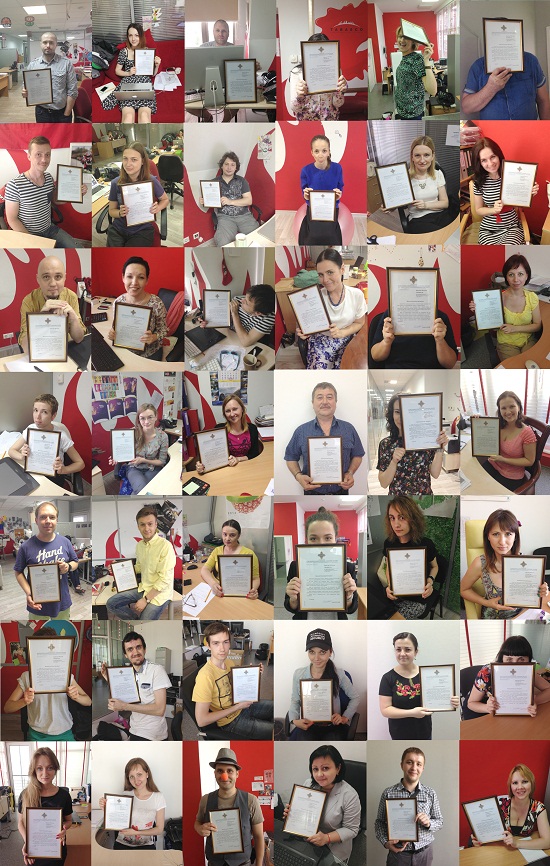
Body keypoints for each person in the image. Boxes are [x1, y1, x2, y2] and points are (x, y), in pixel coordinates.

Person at [4, 626, 91, 741]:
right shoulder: (27, 676)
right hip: (37, 734)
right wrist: (24, 701)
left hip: (64, 731)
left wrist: (77, 697)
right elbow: (7, 708)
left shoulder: (65, 675)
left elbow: (88, 701)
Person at [460, 508, 548, 619]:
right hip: (496, 618)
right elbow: (463, 589)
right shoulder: (480, 563)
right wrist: (486, 602)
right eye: (496, 534)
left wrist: (541, 592)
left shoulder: (526, 563)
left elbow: (533, 597)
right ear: (488, 536)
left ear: (515, 536)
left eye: (508, 534)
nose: (502, 541)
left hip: (521, 615)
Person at [192, 621, 273, 737]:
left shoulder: (229, 662)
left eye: (225, 642)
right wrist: (237, 707)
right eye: (216, 643)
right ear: (208, 646)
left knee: (275, 707)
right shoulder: (205, 676)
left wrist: (252, 672)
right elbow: (201, 720)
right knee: (274, 731)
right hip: (230, 721)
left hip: (241, 706)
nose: (222, 649)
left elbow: (236, 685)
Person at [4, 136, 88, 248]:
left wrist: (76, 194)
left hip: (50, 229)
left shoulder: (49, 178)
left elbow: (54, 200)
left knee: (78, 249)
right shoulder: (14, 185)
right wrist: (31, 241)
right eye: (38, 154)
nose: (44, 160)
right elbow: (12, 219)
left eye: (47, 155)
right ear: (29, 156)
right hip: (29, 234)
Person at [282, 745, 361, 863]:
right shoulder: (309, 784)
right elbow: (304, 813)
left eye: (325, 768)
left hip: (333, 849)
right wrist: (292, 815)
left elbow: (351, 829)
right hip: (308, 843)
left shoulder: (350, 795)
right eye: (315, 769)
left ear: (338, 768)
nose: (319, 774)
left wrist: (326, 838)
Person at [284, 381, 365, 494]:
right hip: (312, 493)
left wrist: (350, 472)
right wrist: (298, 476)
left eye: (329, 397)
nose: (325, 402)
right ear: (313, 403)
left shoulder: (349, 429)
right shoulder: (301, 431)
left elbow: (358, 454)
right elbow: (290, 457)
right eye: (320, 397)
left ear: (335, 402)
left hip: (341, 492)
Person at [462, 20, 550, 120]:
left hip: (528, 128)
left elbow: (543, 100)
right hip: (492, 129)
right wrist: (490, 88)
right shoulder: (478, 66)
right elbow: (467, 108)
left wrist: (546, 128)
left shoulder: (531, 61)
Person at [379, 632, 458, 741]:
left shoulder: (427, 675)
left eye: (407, 649)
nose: (402, 653)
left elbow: (435, 699)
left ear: (416, 652)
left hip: (424, 731)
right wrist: (412, 713)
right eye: (398, 649)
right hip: (400, 734)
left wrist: (450, 701)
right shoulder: (388, 678)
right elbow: (385, 710)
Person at [296, 249, 367, 369]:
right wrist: (303, 331)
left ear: (342, 269)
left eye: (330, 272)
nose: (325, 280)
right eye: (320, 275)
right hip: (321, 341)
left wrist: (342, 332)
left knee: (347, 369)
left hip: (347, 339)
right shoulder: (314, 297)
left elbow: (360, 323)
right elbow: (306, 324)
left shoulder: (356, 295)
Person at [194, 747, 265, 866]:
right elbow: (197, 822)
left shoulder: (251, 800)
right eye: (220, 771)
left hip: (242, 863)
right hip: (214, 863)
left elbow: (258, 836)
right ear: (215, 774)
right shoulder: (205, 799)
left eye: (229, 771)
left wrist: (259, 864)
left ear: (237, 774)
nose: (224, 776)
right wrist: (199, 829)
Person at [285, 508, 358, 620]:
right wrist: (293, 599)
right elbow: (290, 607)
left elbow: (352, 609)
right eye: (313, 538)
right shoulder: (296, 566)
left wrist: (348, 596)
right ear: (307, 540)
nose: (321, 544)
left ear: (335, 539)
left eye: (328, 538)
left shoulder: (347, 568)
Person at [14, 500, 82, 620]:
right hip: (37, 603)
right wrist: (29, 592)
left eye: (52, 517)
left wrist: (68, 567)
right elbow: (18, 571)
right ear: (36, 520)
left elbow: (75, 562)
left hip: (62, 602)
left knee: (61, 630)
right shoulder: (26, 546)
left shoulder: (65, 542)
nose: (48, 521)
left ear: (57, 520)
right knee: (39, 631)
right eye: (43, 517)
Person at [106, 506, 176, 621]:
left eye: (150, 524)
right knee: (111, 604)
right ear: (138, 526)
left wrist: (145, 600)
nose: (146, 528)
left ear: (156, 525)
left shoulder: (165, 546)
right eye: (142, 524)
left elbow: (165, 580)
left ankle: (140, 623)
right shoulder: (139, 546)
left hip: (160, 594)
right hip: (144, 588)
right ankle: (136, 621)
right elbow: (139, 567)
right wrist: (117, 569)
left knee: (144, 622)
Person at [288, 629, 360, 740]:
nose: (316, 658)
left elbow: (355, 697)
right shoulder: (299, 674)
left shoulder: (339, 674)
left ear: (330, 652)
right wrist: (294, 720)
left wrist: (345, 717)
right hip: (308, 725)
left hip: (333, 726)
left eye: (322, 652)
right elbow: (295, 700)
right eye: (312, 652)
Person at [375, 747, 443, 863]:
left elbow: (440, 821)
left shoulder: (430, 793)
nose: (414, 768)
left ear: (423, 768)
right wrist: (386, 843)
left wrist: (429, 823)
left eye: (419, 764)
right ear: (402, 765)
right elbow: (379, 823)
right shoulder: (388, 793)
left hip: (424, 853)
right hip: (398, 855)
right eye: (409, 762)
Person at [100, 630, 171, 740]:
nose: (135, 652)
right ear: (126, 655)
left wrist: (124, 706)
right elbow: (123, 693)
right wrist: (108, 678)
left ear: (144, 649)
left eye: (138, 647)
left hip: (153, 733)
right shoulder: (127, 673)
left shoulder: (157, 670)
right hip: (134, 728)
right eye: (130, 649)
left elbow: (160, 709)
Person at [377, 497, 441, 619]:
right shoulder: (389, 543)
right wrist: (390, 585)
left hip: (418, 598)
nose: (396, 524)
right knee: (378, 613)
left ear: (413, 518)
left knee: (393, 620)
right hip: (396, 594)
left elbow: (435, 567)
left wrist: (430, 581)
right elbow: (389, 568)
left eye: (402, 517)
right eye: (392, 518)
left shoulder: (426, 544)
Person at [469, 254, 542, 361]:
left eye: (520, 274)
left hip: (528, 340)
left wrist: (514, 328)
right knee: (515, 367)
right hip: (506, 343)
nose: (516, 279)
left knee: (533, 364)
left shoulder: (532, 297)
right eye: (511, 274)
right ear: (506, 277)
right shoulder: (497, 298)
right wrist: (479, 311)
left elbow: (537, 326)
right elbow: (491, 326)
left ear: (526, 276)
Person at [8, 393, 86, 492]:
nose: (38, 417)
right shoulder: (30, 429)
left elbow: (80, 463)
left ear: (53, 416)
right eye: (36, 410)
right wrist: (21, 456)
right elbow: (11, 450)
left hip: (53, 476)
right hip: (33, 472)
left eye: (44, 412)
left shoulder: (61, 436)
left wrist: (63, 470)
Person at [471, 137, 539, 246]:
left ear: (498, 155)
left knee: (508, 249)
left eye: (493, 157)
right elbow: (478, 210)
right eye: (484, 160)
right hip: (489, 229)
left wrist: (529, 193)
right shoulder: (479, 182)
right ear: (479, 162)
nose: (490, 163)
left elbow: (519, 202)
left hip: (511, 227)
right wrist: (493, 210)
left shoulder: (512, 174)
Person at [376, 394, 448, 495]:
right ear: (392, 414)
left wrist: (440, 448)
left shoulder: (425, 440)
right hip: (399, 499)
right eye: (397, 412)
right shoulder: (386, 444)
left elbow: (435, 474)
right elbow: (383, 483)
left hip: (423, 496)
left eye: (406, 412)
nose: (401, 418)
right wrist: (393, 461)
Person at [382, 136, 456, 234]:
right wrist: (390, 206)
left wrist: (425, 205)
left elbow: (445, 203)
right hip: (418, 219)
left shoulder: (438, 174)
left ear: (432, 156)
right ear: (412, 157)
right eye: (417, 155)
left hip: (440, 215)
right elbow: (399, 201)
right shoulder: (403, 177)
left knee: (451, 234)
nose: (422, 160)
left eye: (426, 155)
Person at [466, 635, 550, 718]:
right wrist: (486, 708)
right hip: (482, 708)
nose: (515, 665)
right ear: (502, 658)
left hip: (511, 710)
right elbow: (471, 703)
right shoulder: (487, 673)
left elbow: (548, 690)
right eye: (509, 659)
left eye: (521, 659)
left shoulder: (528, 671)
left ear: (529, 660)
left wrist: (532, 702)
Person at [470, 764, 550, 851]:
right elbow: (485, 832)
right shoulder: (500, 804)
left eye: (524, 781)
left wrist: (516, 843)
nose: (520, 787)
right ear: (510, 786)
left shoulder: (538, 807)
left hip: (524, 851)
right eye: (515, 783)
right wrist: (479, 840)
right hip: (501, 851)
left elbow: (547, 841)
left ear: (532, 783)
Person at [18, 256, 86, 354]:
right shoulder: (29, 301)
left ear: (64, 278)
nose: (53, 284)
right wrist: (40, 318)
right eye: (46, 277)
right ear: (38, 279)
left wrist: (74, 319)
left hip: (65, 348)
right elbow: (26, 348)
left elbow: (79, 339)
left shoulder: (71, 296)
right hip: (42, 350)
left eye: (58, 277)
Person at [18, 747, 73, 866]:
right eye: (39, 768)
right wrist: (28, 842)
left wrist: (64, 829)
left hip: (56, 849)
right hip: (35, 850)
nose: (45, 773)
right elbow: (20, 823)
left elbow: (69, 821)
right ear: (34, 770)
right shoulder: (25, 795)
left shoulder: (64, 795)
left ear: (55, 769)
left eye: (50, 768)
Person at [106, 143, 168, 247]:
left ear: (142, 161)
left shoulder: (151, 181)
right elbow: (111, 211)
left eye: (134, 160)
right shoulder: (116, 183)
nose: (128, 164)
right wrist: (120, 213)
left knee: (131, 253)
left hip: (142, 229)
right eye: (125, 159)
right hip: (119, 229)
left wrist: (158, 208)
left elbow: (165, 200)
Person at [106, 256, 168, 360]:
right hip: (125, 350)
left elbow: (164, 330)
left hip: (150, 353)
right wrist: (113, 333)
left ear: (147, 280)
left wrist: (154, 337)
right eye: (129, 276)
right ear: (123, 278)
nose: (134, 282)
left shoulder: (157, 303)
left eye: (141, 277)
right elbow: (115, 326)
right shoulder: (118, 302)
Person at [369, 297, 457, 369]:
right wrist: (386, 341)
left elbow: (450, 364)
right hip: (396, 373)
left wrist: (440, 341)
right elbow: (376, 356)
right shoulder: (390, 316)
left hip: (430, 374)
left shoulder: (439, 319)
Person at [476, 390, 537, 491]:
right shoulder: (498, 424)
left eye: (512, 406)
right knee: (476, 483)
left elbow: (529, 461)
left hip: (512, 474)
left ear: (519, 407)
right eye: (503, 408)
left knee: (489, 492)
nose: (508, 412)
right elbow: (483, 435)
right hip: (494, 464)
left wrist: (503, 459)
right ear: (499, 410)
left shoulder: (527, 432)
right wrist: (477, 421)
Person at [98, 758, 166, 850]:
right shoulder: (126, 795)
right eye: (131, 777)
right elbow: (117, 821)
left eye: (139, 774)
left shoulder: (158, 797)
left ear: (147, 774)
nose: (136, 780)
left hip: (146, 845)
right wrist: (107, 809)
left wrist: (136, 833)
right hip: (122, 843)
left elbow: (159, 829)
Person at [101, 23, 161, 122]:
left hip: (144, 83)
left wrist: (157, 65)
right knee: (128, 116)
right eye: (130, 35)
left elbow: (153, 74)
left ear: (141, 36)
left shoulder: (146, 51)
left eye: (136, 35)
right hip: (128, 84)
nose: (133, 39)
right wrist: (128, 73)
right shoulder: (124, 52)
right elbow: (117, 70)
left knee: (144, 116)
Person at [200, 151, 260, 247]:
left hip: (244, 216)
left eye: (232, 165)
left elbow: (249, 200)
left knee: (257, 239)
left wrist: (230, 201)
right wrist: (205, 201)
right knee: (222, 243)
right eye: (226, 164)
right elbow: (210, 201)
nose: (229, 167)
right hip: (225, 218)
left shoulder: (242, 181)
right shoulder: (213, 183)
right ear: (222, 166)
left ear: (236, 167)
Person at [109, 402, 169, 494]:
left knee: (146, 491)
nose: (146, 422)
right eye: (142, 418)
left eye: (150, 417)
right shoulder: (131, 433)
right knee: (142, 490)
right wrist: (117, 457)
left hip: (152, 468)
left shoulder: (162, 436)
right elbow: (123, 450)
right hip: (134, 468)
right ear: (139, 419)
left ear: (156, 417)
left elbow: (162, 461)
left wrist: (144, 460)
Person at [196, 395, 261, 475]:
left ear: (242, 409)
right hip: (227, 471)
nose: (232, 414)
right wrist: (202, 466)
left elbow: (254, 454)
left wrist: (238, 459)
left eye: (235, 409)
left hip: (248, 468)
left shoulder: (252, 429)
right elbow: (212, 455)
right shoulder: (218, 430)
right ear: (224, 414)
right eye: (228, 411)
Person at [21, 32, 78, 123]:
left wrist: (67, 113)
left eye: (51, 42)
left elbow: (73, 91)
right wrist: (25, 92)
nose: (48, 45)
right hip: (41, 112)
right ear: (40, 44)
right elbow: (26, 86)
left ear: (56, 45)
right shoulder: (33, 65)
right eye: (45, 42)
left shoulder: (66, 64)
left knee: (63, 133)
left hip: (62, 113)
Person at [289, 33, 347, 121]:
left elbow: (338, 104)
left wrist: (341, 92)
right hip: (306, 122)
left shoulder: (334, 70)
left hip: (330, 121)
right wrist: (300, 95)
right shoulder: (297, 73)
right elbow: (294, 108)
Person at [199, 284, 276, 348]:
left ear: (258, 313)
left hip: (249, 347)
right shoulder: (237, 300)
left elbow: (245, 342)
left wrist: (235, 313)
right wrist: (208, 320)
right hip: (229, 338)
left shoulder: (269, 318)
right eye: (245, 297)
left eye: (246, 302)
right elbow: (224, 320)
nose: (242, 300)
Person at [299, 134, 344, 245]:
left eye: (324, 151)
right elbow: (304, 191)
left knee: (330, 236)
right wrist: (306, 196)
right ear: (312, 153)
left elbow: (340, 187)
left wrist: (338, 195)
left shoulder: (337, 168)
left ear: (329, 152)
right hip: (314, 208)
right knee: (313, 236)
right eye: (316, 151)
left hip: (331, 208)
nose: (320, 155)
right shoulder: (306, 170)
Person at [200, 519, 261, 599]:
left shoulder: (248, 554)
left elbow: (256, 579)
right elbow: (205, 569)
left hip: (241, 592)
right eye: (224, 534)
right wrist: (213, 584)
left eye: (232, 535)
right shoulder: (217, 551)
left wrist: (251, 591)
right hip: (220, 591)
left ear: (238, 536)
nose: (227, 538)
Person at [394, 26, 437, 119]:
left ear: (413, 41)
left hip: (412, 114)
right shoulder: (406, 57)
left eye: (406, 37)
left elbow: (433, 91)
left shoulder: (417, 59)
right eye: (400, 36)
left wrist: (426, 60)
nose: (402, 40)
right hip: (403, 110)